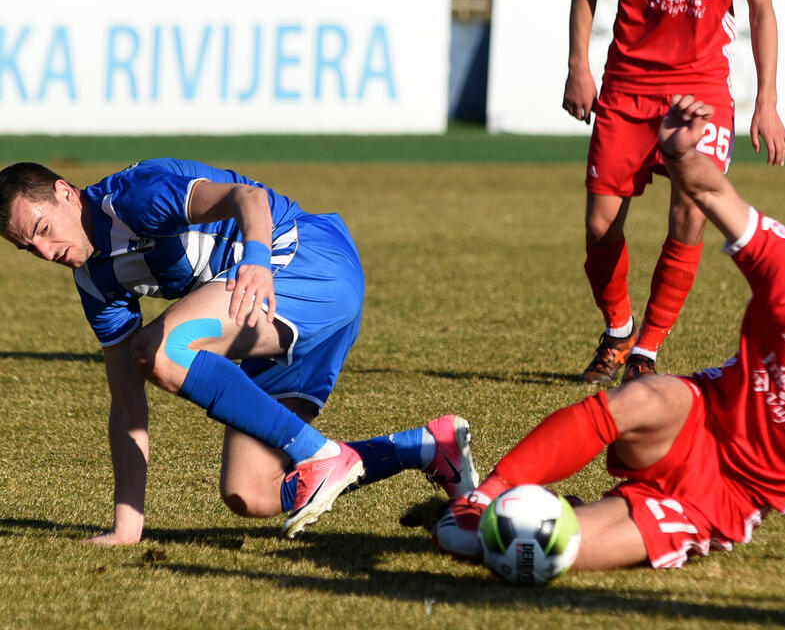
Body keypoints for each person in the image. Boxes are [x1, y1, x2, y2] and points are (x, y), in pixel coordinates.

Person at [434, 95, 785, 571]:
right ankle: (480, 496)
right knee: (644, 393)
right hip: (697, 417)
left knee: (538, 553)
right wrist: (680, 151)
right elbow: (713, 194)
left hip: (729, 496)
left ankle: (534, 519)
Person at [0, 158, 479, 545]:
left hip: (306, 262)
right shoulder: (94, 281)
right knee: (251, 493)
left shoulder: (131, 199)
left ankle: (320, 453)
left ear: (66, 193)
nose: (45, 253)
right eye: (27, 248)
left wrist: (255, 260)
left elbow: (248, 197)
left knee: (161, 349)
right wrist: (128, 526)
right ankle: (426, 448)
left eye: (42, 229)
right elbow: (127, 406)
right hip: (269, 312)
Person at [564, 0, 785, 384]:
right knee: (600, 227)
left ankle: (645, 351)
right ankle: (619, 332)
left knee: (691, 215)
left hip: (701, 89)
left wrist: (766, 101)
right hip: (628, 85)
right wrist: (578, 66)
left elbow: (762, 12)